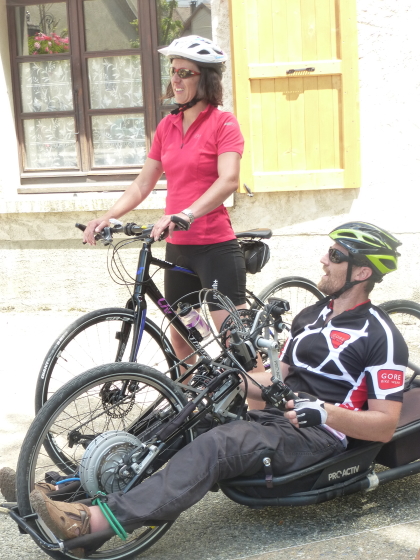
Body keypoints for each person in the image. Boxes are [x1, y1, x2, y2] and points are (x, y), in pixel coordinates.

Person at [2, 222, 408, 558]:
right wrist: (233, 376)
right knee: (183, 416)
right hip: (274, 418)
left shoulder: (382, 337)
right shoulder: (311, 315)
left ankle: (91, 524)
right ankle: (64, 490)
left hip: (317, 436)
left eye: (335, 255)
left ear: (362, 272)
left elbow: (385, 425)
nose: (323, 259)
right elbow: (270, 381)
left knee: (219, 444)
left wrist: (326, 412)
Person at [82, 35, 247, 367]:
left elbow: (228, 179)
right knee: (184, 335)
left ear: (206, 78)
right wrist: (108, 216)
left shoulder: (223, 123)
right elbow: (144, 183)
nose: (176, 79)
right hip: (179, 249)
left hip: (215, 247)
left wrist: (186, 213)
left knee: (236, 342)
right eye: (173, 71)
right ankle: (193, 398)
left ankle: (263, 396)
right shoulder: (167, 126)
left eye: (185, 73)